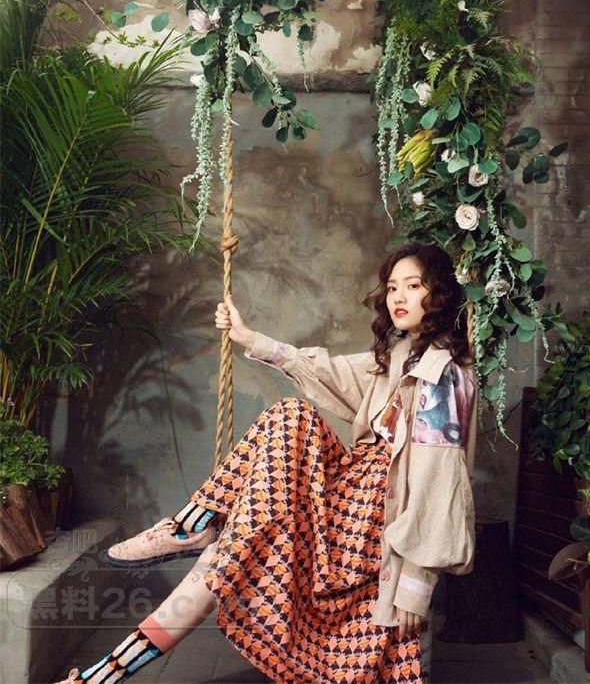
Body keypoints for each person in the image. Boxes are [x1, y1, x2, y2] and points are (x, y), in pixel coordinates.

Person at [54, 242, 477, 684]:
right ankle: (101, 675)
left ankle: (189, 528)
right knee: (224, 553)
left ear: (439, 294)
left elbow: (438, 486)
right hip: (343, 502)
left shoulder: (441, 377)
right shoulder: (399, 357)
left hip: (365, 530)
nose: (398, 297)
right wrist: (249, 338)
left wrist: (415, 585)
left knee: (231, 542)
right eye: (392, 287)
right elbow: (328, 371)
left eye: (413, 286)